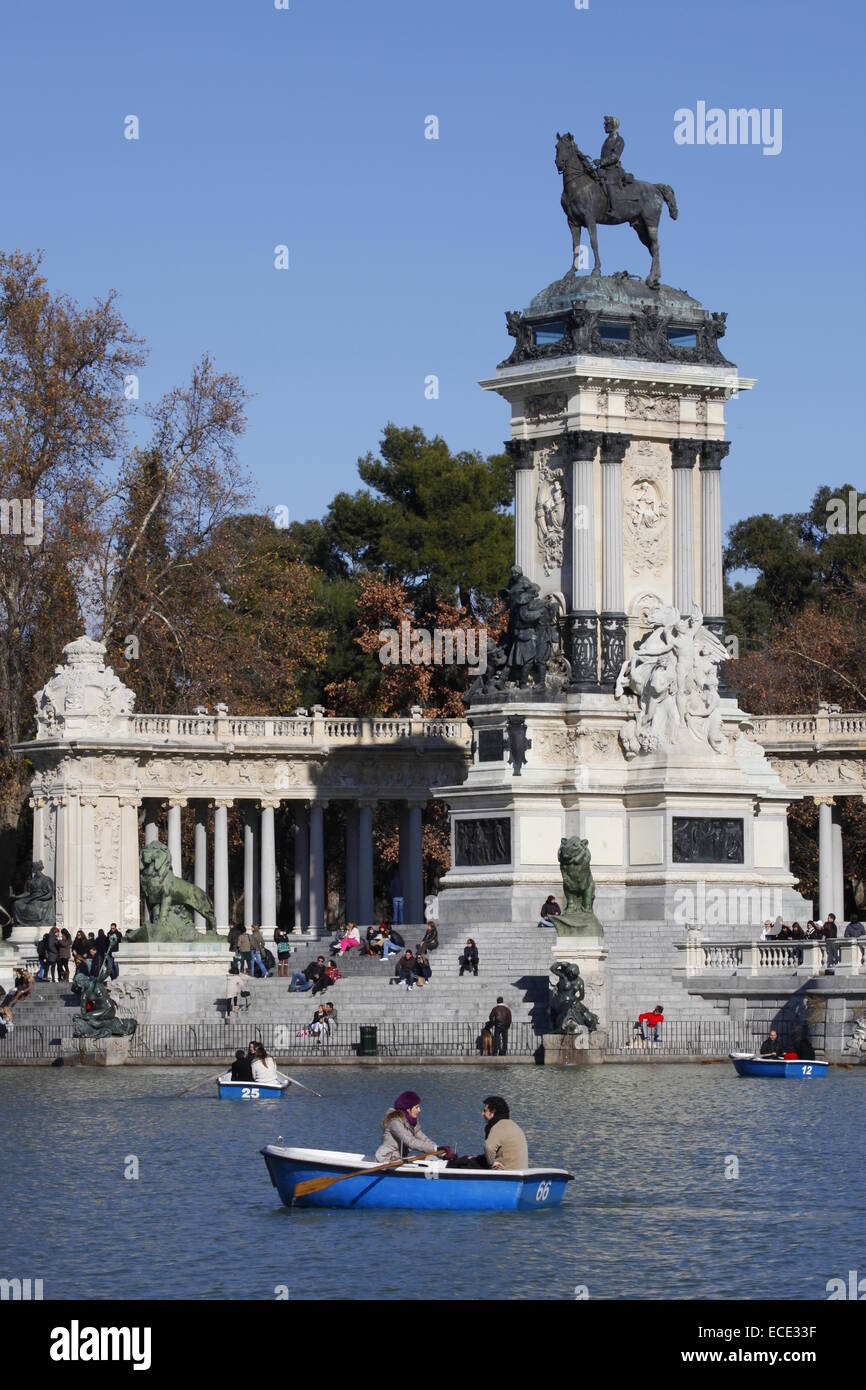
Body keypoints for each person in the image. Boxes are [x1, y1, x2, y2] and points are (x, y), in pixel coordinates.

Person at [448, 1096, 529, 1170]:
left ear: (492, 1112)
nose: (482, 1113)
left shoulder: (498, 1126)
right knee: (474, 1159)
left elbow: (488, 1147)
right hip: (519, 1169)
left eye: (485, 1111)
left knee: (463, 1163)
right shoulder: (513, 1125)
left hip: (505, 1170)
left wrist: (492, 1163)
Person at [374, 1090, 439, 1162]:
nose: (419, 1110)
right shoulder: (394, 1122)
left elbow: (423, 1139)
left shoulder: (412, 1122)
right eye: (417, 1107)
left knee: (433, 1159)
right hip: (386, 1158)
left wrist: (439, 1149)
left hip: (399, 1159)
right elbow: (410, 1141)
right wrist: (435, 1149)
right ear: (408, 1109)